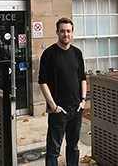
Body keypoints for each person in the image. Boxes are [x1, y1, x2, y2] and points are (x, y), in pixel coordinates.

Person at [38, 17, 86, 166]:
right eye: (62, 31)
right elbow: (42, 82)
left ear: (72, 33)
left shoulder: (77, 53)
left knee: (73, 147)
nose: (66, 34)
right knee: (53, 150)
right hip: (59, 111)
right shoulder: (49, 54)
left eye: (68, 31)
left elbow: (82, 78)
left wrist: (83, 100)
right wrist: (53, 106)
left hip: (76, 109)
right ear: (57, 33)